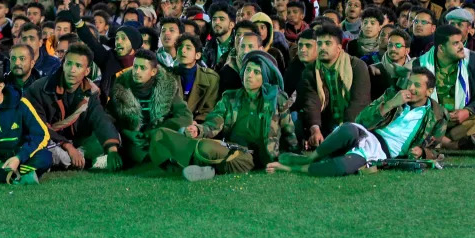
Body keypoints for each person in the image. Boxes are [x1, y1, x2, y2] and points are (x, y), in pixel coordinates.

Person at [267, 68, 447, 176]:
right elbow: (362, 119)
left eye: (418, 85)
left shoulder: (438, 115)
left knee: (342, 166)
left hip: (382, 151)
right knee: (348, 129)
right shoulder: (394, 95)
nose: (411, 88)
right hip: (369, 132)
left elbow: (435, 150)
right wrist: (391, 104)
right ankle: (313, 157)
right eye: (410, 83)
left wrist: (422, 152)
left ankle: (293, 168)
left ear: (429, 91)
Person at [148, 50, 297, 180]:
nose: (249, 75)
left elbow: (288, 130)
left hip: (252, 157)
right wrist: (199, 130)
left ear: (265, 75)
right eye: (247, 70)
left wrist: (290, 157)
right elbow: (215, 121)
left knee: (205, 148)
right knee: (160, 134)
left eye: (256, 72)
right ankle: (207, 169)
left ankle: (200, 167)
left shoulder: (276, 99)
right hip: (229, 148)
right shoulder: (230, 97)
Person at [25, 42, 123, 170]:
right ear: (63, 64)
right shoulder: (39, 88)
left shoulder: (90, 92)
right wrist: (67, 146)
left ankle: (75, 159)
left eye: (78, 66)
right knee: (47, 150)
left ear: (87, 70)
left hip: (78, 143)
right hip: (51, 141)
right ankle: (75, 160)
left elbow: (100, 119)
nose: (72, 70)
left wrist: (112, 150)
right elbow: (39, 126)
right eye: (69, 64)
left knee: (113, 140)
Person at [408, 24, 475, 149]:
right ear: (441, 48)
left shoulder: (473, 59)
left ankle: (436, 140)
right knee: (412, 122)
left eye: (461, 42)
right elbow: (414, 97)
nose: (461, 47)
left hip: (460, 121)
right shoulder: (420, 63)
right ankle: (450, 143)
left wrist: (467, 111)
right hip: (431, 120)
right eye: (456, 43)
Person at [108, 49, 193, 167]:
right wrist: (127, 132)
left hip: (159, 136)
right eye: (135, 66)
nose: (137, 71)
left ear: (153, 71)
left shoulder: (168, 86)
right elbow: (109, 117)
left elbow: (185, 116)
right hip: (132, 141)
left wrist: (157, 132)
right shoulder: (121, 86)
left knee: (183, 134)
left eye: (142, 68)